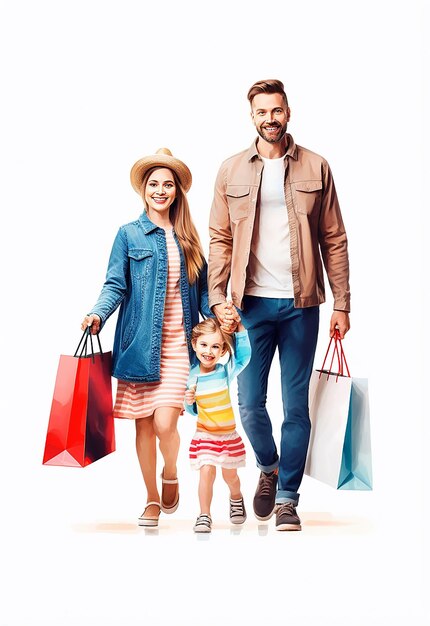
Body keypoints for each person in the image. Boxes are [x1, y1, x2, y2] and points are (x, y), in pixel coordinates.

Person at [208, 79, 351, 531]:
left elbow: (334, 238)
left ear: (288, 112)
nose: (270, 118)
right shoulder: (231, 170)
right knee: (249, 402)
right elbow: (220, 239)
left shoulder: (316, 165)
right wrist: (217, 298)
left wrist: (342, 304)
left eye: (277, 110)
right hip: (248, 306)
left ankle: (287, 496)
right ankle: (267, 466)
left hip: (300, 305)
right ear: (251, 117)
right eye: (262, 112)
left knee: (295, 405)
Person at [81, 147, 212, 528]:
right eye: (154, 184)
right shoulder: (128, 234)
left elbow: (202, 293)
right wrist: (97, 314)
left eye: (167, 184)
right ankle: (151, 498)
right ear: (144, 189)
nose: (160, 190)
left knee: (166, 424)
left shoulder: (189, 238)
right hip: (139, 346)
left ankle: (170, 471)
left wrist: (219, 315)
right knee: (143, 425)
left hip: (178, 348)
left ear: (176, 191)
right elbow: (114, 284)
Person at [184, 315, 251, 533]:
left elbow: (243, 358)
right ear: (194, 344)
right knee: (206, 473)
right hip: (205, 436)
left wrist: (240, 328)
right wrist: (190, 402)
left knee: (230, 476)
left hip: (227, 437)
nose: (208, 351)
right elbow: (192, 410)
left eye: (215, 347)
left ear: (222, 351)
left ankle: (236, 496)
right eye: (203, 345)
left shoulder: (224, 372)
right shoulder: (191, 377)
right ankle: (204, 514)